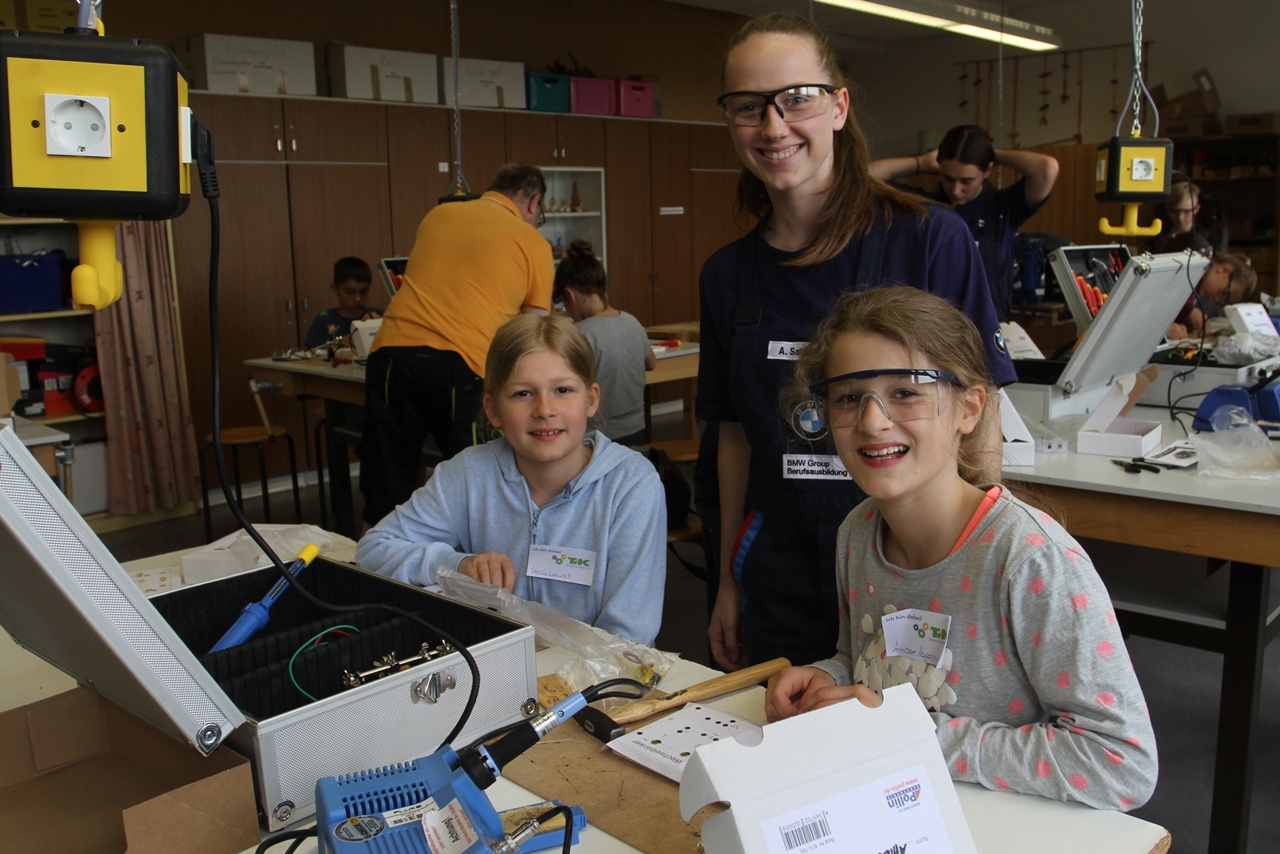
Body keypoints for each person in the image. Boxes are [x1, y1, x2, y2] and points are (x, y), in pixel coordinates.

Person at [700, 12, 1017, 672]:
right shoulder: (729, 275)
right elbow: (732, 437)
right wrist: (728, 582)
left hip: (909, 559)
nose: (773, 125)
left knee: (916, 735)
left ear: (839, 105)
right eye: (748, 106)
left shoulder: (929, 239)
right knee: (789, 736)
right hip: (779, 563)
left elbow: (979, 415)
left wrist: (983, 569)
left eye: (797, 99)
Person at [765, 286, 1158, 811]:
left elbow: (1122, 763)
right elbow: (868, 663)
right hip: (899, 808)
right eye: (848, 396)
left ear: (969, 408)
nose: (872, 421)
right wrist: (829, 678)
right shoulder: (857, 534)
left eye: (906, 392)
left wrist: (909, 736)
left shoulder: (1030, 560)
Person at [354, 313, 668, 646]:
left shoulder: (631, 486)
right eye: (522, 394)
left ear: (591, 399)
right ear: (492, 409)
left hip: (591, 681)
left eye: (563, 390)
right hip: (496, 668)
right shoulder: (468, 475)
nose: (544, 409)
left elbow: (629, 635)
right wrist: (455, 565)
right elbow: (373, 548)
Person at [359, 164, 555, 531]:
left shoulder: (438, 214)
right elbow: (533, 330)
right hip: (460, 365)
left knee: (385, 487)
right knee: (479, 483)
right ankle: (482, 576)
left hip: (390, 356)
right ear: (534, 202)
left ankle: (372, 577)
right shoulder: (532, 242)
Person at [870, 125, 1059, 322]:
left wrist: (989, 154)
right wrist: (921, 162)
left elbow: (1047, 168)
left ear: (987, 171)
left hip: (990, 325)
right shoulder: (926, 205)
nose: (956, 190)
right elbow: (866, 176)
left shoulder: (1003, 207)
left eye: (966, 180)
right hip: (936, 328)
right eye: (948, 178)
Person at [552, 239, 656, 446]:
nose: (568, 311)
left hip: (598, 437)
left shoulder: (581, 333)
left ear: (570, 294)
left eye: (564, 304)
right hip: (637, 429)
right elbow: (651, 363)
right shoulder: (631, 321)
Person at [1166, 251, 1257, 339]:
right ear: (1225, 269)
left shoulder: (1198, 287)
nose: (1217, 299)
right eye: (1224, 293)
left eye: (1223, 300)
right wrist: (1189, 311)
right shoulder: (1190, 266)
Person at [303, 257, 382, 349]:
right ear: (335, 289)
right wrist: (336, 346)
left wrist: (382, 326)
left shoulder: (378, 316)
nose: (358, 299)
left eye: (364, 292)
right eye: (350, 292)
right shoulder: (324, 319)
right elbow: (309, 355)